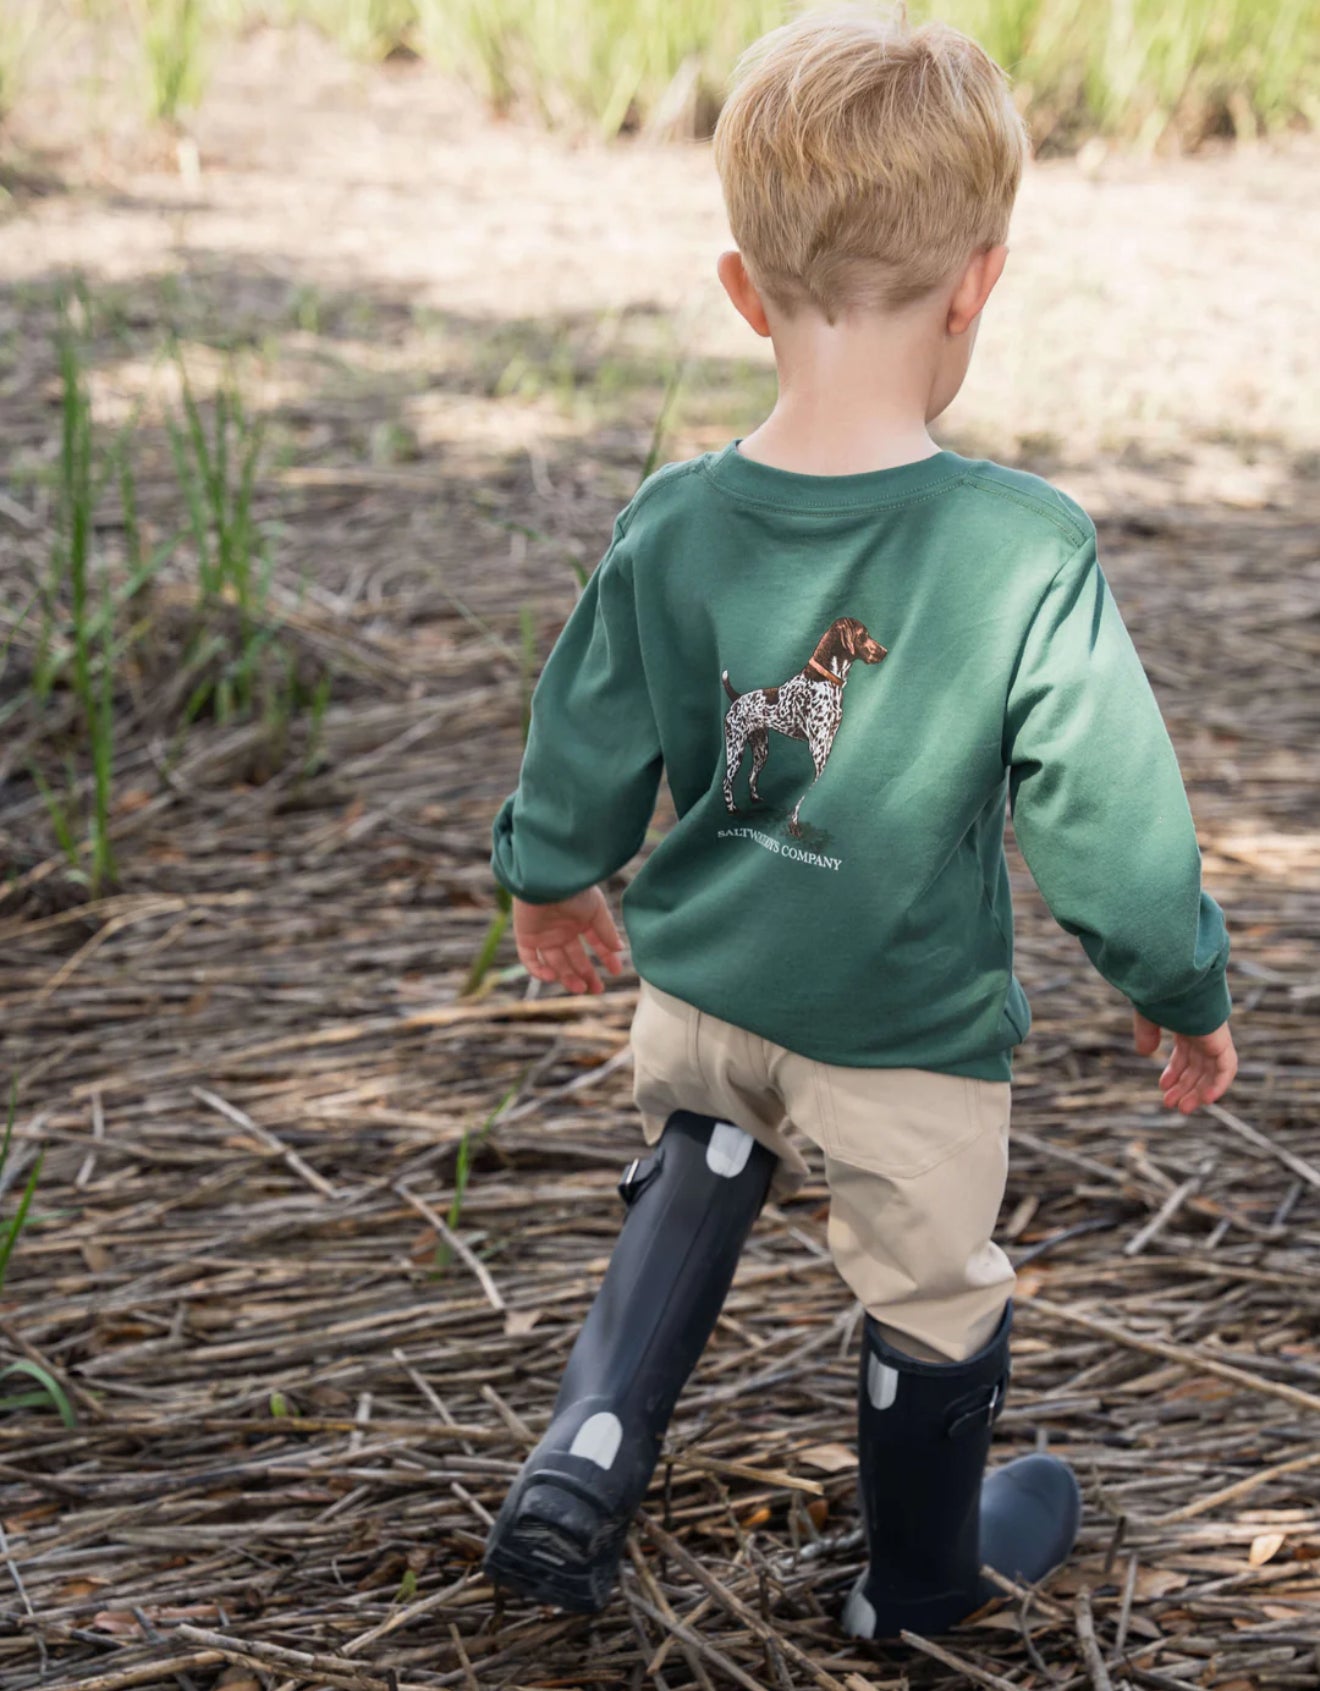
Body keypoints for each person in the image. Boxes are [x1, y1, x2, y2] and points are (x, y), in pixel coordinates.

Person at [481, 1, 1237, 1640]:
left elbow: (586, 725)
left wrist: (551, 883)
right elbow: (1110, 817)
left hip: (701, 991)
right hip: (900, 1035)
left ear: (743, 290)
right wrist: (1178, 984)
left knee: (706, 1139)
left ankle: (582, 1459)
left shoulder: (676, 520)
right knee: (934, 1295)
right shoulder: (1021, 550)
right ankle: (918, 1583)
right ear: (980, 282)